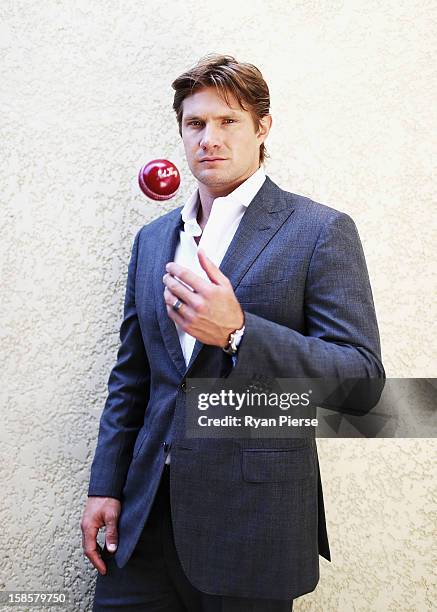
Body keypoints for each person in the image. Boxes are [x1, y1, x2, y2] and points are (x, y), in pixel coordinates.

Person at [81, 54, 385, 611]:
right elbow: (133, 377)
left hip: (252, 526)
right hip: (143, 518)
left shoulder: (319, 231)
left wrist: (240, 333)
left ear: (262, 128)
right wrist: (106, 483)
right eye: (195, 124)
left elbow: (363, 386)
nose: (209, 139)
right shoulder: (154, 239)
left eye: (228, 122)